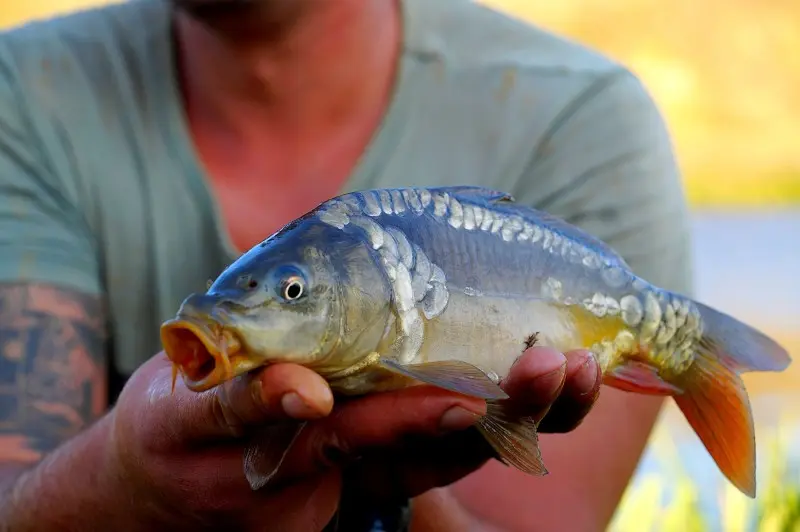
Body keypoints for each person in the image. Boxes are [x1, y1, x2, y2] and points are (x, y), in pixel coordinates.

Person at [0, 0, 693, 530]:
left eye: (294, 290)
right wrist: (121, 484)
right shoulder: (23, 94)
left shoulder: (581, 119)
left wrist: (384, 498)